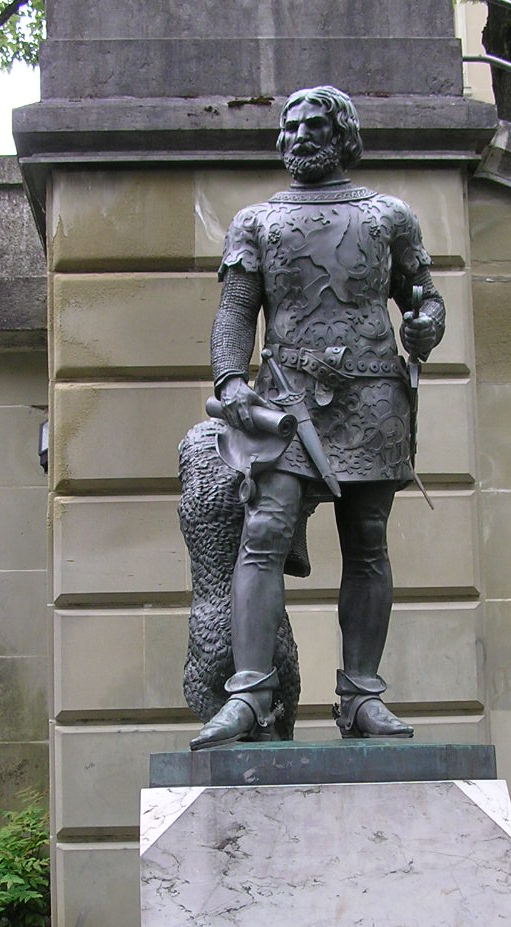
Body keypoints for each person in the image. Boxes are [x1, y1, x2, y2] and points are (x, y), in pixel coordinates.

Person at [190, 86, 445, 750]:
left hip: (373, 397)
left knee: (367, 541)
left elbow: (425, 298)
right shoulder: (256, 221)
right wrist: (229, 379)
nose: (298, 136)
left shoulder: (390, 216)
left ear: (342, 135)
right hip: (286, 398)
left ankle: (361, 696)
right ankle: (250, 693)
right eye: (291, 126)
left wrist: (425, 323)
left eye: (314, 126)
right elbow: (236, 311)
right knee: (264, 531)